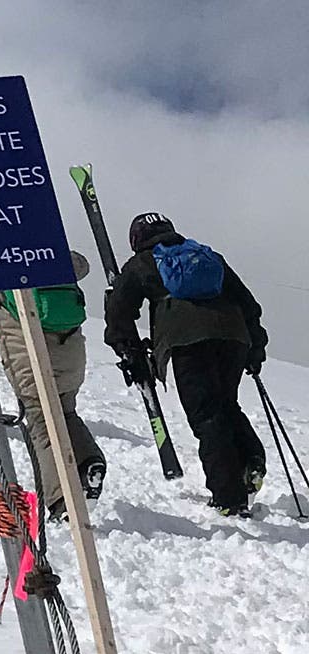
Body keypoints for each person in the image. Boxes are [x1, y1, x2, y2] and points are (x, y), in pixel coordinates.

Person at [104, 212, 270, 516]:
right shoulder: (206, 255)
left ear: (136, 240)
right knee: (225, 404)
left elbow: (119, 312)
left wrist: (128, 350)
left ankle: (228, 497)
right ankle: (250, 460)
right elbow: (248, 303)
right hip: (233, 336)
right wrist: (255, 347)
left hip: (187, 340)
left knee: (206, 414)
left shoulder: (143, 262)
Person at [0, 257, 106, 519]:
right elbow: (81, 263)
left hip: (31, 356)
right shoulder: (49, 254)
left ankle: (61, 501)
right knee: (66, 412)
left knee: (40, 422)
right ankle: (88, 460)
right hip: (70, 354)